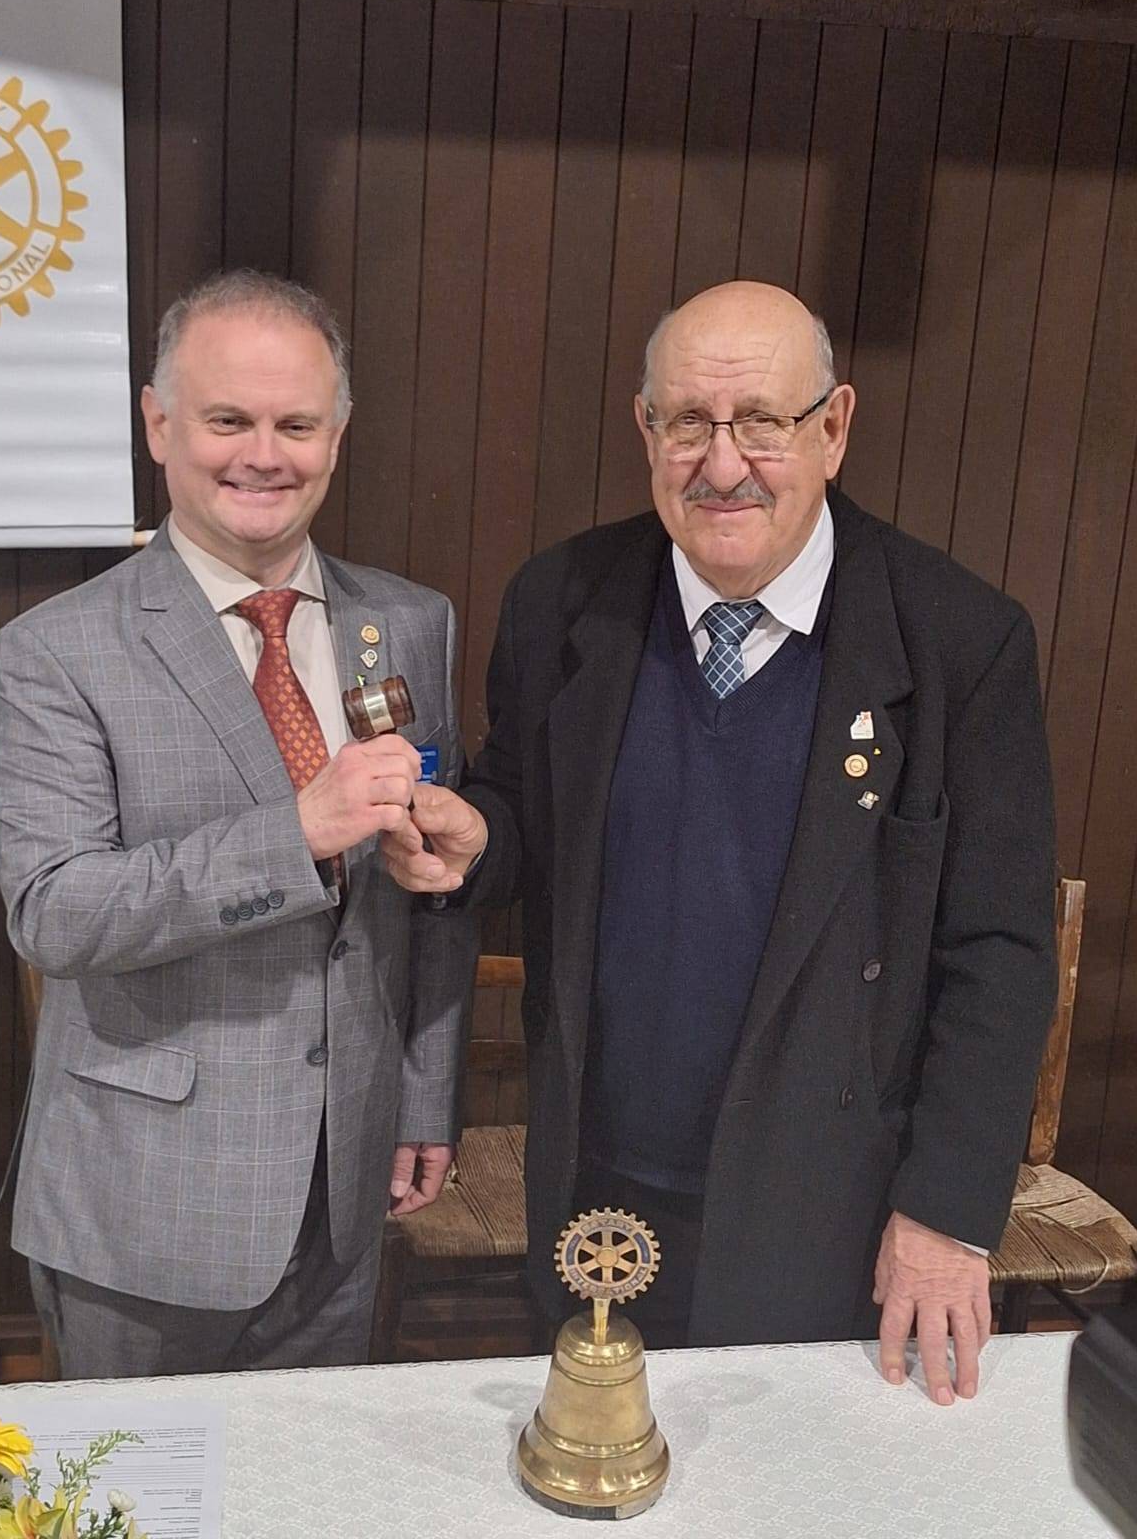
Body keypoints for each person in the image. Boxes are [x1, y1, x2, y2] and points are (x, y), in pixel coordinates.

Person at [381, 281, 1057, 1406]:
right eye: (689, 422)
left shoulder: (960, 641)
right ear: (645, 429)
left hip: (833, 1210)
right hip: (596, 1186)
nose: (723, 462)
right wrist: (476, 841)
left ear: (834, 428)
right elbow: (521, 815)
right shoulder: (561, 600)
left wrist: (945, 1215)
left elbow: (1001, 950)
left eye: (762, 423)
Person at [0, 270, 476, 1378]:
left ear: (337, 435)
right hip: (143, 1208)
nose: (265, 455)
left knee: (312, 1469)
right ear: (158, 424)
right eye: (227, 421)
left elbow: (429, 897)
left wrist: (423, 1094)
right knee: (137, 1471)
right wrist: (294, 833)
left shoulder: (409, 622)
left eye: (296, 424)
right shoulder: (57, 650)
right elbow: (55, 914)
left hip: (347, 1191)